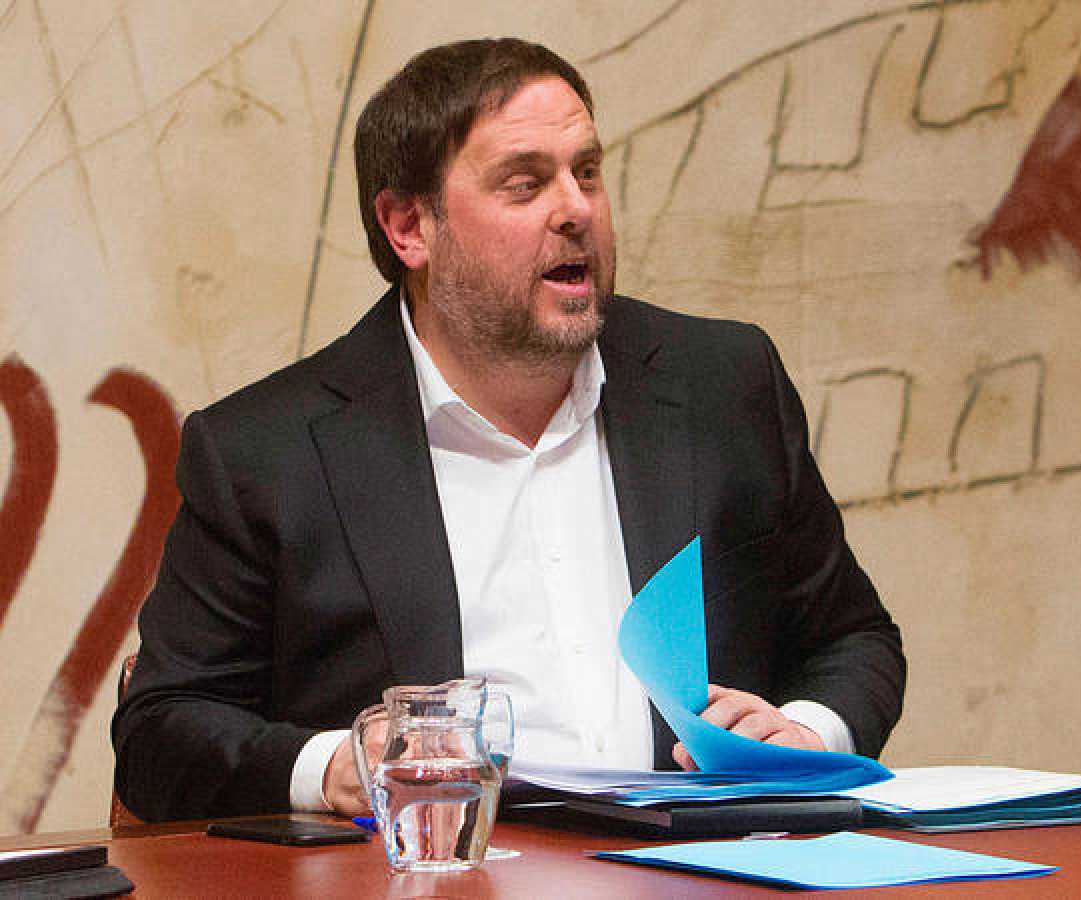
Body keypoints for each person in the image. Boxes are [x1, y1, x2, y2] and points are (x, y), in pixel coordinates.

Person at [111, 38, 906, 822]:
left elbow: (853, 638)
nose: (576, 210)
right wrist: (341, 767)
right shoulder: (268, 451)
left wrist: (806, 732)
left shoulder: (722, 384)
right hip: (434, 873)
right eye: (525, 185)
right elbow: (161, 731)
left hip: (699, 867)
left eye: (586, 173)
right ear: (409, 228)